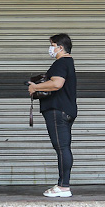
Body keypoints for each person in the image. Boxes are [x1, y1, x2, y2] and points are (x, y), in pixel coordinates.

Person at [28, 34, 77, 198]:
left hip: (57, 111)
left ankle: (64, 186)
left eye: (52, 45)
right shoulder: (68, 62)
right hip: (66, 110)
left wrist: (35, 87)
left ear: (60, 47)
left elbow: (57, 84)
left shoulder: (61, 62)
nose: (51, 48)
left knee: (62, 148)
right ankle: (63, 184)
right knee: (63, 148)